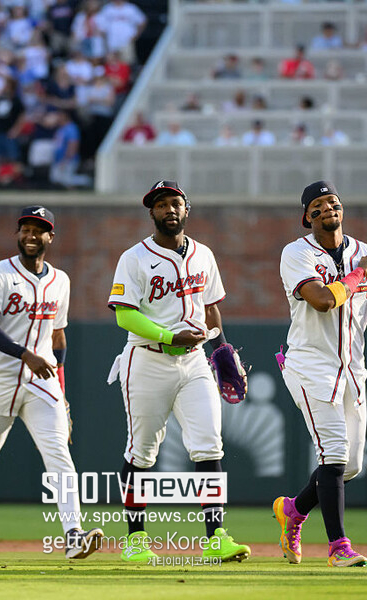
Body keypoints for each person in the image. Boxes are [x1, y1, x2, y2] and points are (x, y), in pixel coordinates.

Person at [107, 180, 252, 563]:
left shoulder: (203, 254)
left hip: (194, 361)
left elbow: (211, 307)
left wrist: (222, 349)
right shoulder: (134, 257)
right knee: (142, 452)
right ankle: (136, 540)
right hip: (147, 359)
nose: (169, 209)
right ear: (150, 213)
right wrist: (169, 334)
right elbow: (124, 314)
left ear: (187, 209)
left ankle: (216, 536)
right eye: (160, 204)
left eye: (175, 203)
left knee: (209, 444)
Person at [273, 181, 367, 568]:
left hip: (352, 368)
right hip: (308, 365)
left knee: (350, 466)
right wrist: (357, 277)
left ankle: (293, 511)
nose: (328, 208)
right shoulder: (296, 253)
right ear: (307, 217)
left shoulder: (365, 253)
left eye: (333, 202)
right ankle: (339, 547)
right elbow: (321, 300)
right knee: (333, 451)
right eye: (318, 205)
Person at [0, 206, 104, 560]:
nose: (31, 235)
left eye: (39, 229)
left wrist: (63, 392)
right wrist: (25, 354)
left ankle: (73, 535)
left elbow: (58, 335)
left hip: (43, 382)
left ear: (50, 237)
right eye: (26, 228)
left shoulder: (61, 280)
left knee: (59, 456)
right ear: (17, 234)